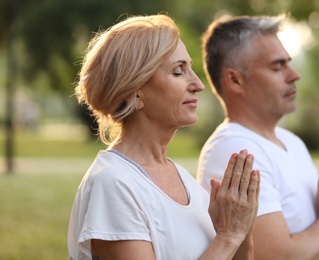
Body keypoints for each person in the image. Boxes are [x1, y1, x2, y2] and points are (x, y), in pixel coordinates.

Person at [67, 14, 261, 260]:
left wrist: (243, 231)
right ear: (133, 92)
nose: (198, 84)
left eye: (191, 68)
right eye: (178, 71)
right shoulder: (113, 183)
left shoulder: (182, 178)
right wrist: (228, 237)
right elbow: (224, 242)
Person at [197, 15, 319, 260]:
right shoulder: (235, 149)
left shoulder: (291, 141)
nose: (294, 75)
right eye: (277, 67)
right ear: (235, 80)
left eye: (288, 64)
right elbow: (278, 256)